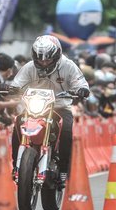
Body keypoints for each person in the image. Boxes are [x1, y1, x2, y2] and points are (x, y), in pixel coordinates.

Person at [10, 35, 90, 185]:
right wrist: (10, 89)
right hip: (34, 107)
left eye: (48, 59)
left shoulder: (68, 65)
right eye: (40, 59)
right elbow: (16, 84)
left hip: (60, 106)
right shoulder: (29, 67)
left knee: (66, 130)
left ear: (57, 55)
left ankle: (64, 169)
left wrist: (82, 90)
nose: (44, 62)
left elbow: (81, 83)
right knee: (18, 123)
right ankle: (16, 164)